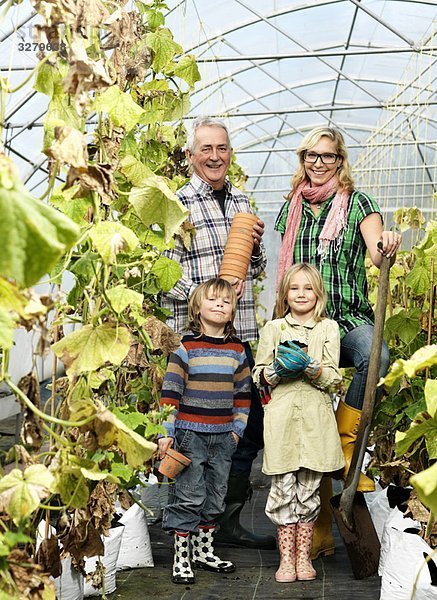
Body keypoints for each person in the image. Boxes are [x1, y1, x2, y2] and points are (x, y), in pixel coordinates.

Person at [275, 126, 401, 558]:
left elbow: (375, 250)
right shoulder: (291, 206)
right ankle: (318, 532)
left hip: (343, 320)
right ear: (303, 158)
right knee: (304, 422)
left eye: (328, 156)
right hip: (300, 326)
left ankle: (347, 448)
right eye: (312, 155)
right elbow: (284, 267)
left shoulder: (358, 204)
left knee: (375, 354)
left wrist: (386, 247)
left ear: (340, 160)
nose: (319, 163)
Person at [161, 116, 275, 549]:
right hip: (197, 341)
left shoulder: (243, 203)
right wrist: (207, 299)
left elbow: (258, 270)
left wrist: (257, 247)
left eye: (222, 148)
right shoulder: (179, 204)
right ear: (191, 156)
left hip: (239, 334)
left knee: (246, 429)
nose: (214, 156)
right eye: (205, 149)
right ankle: (188, 527)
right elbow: (164, 274)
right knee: (194, 432)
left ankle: (222, 519)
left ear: (230, 154)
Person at [253, 263, 344, 582]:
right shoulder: (274, 329)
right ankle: (286, 560)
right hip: (282, 423)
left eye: (308, 288)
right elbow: (258, 375)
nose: (301, 294)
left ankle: (304, 558)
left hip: (316, 424)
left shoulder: (328, 329)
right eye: (295, 288)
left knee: (308, 493)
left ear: (318, 293)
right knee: (281, 492)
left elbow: (334, 378)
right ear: (284, 294)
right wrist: (276, 370)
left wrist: (312, 368)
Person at [159, 278, 251, 584]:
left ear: (233, 310)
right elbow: (170, 393)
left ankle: (203, 551)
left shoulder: (237, 350)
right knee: (189, 494)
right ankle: (181, 557)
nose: (220, 305)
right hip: (189, 435)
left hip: (223, 435)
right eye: (212, 300)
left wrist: (236, 431)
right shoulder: (185, 348)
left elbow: (243, 395)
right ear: (197, 308)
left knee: (216, 494)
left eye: (226, 301)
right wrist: (166, 430)